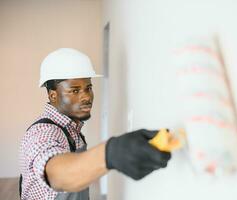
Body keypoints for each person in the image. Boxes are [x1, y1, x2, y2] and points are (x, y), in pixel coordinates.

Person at [19, 48, 171, 199]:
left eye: (88, 88)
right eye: (75, 90)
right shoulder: (42, 133)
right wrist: (111, 153)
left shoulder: (72, 128)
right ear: (53, 95)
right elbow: (57, 174)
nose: (86, 97)